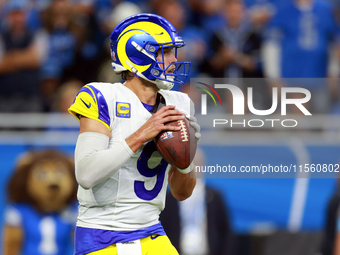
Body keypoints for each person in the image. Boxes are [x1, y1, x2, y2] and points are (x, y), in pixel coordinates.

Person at [68, 13, 201, 255]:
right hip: (100, 234)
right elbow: (86, 174)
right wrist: (141, 135)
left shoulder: (179, 103)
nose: (174, 59)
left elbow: (182, 193)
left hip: (151, 231)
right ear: (138, 54)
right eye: (166, 51)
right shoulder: (102, 96)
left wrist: (186, 157)